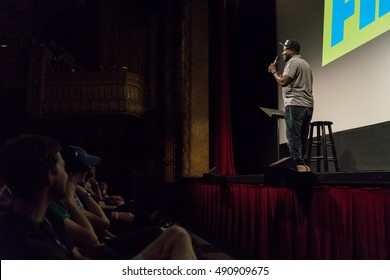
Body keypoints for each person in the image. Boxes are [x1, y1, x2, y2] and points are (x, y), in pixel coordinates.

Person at [0, 135, 87, 259]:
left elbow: (76, 257)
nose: (67, 175)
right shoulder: (26, 246)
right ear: (50, 175)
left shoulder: (48, 216)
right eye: (63, 168)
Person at [268, 39, 314, 172]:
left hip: (295, 105)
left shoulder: (293, 62)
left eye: (285, 49)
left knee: (293, 137)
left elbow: (283, 81)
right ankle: (304, 164)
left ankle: (298, 165)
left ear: (292, 51)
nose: (282, 53)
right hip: (308, 105)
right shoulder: (305, 64)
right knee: (302, 137)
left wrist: (274, 71)